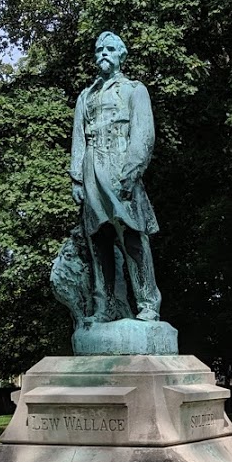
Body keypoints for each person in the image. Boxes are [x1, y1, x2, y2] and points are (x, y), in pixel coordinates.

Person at [69, 31, 161, 322]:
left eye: (109, 49)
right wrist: (77, 179)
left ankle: (148, 303)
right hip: (92, 172)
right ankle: (105, 306)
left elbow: (143, 135)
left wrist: (132, 172)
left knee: (132, 236)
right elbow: (79, 139)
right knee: (99, 241)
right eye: (99, 50)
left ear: (121, 55)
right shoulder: (86, 96)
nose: (103, 54)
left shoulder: (134, 90)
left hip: (121, 170)